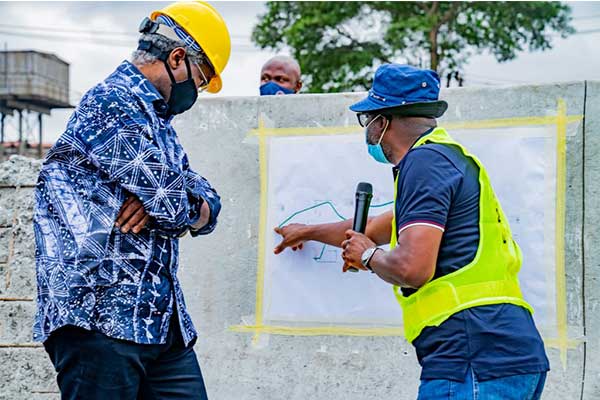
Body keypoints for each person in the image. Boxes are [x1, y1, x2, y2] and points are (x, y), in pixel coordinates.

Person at [274, 64, 550, 399]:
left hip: (473, 357)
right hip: (500, 355)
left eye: (368, 119)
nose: (367, 130)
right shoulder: (444, 160)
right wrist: (307, 231)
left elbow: (412, 268)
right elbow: (373, 228)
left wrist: (367, 255)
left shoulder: (424, 164)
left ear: (383, 121)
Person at [32, 1, 230, 398]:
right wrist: (172, 198)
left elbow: (207, 204)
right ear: (177, 58)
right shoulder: (111, 103)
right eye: (203, 78)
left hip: (159, 324)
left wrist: (171, 197)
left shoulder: (159, 122)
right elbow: (174, 206)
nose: (200, 90)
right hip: (100, 319)